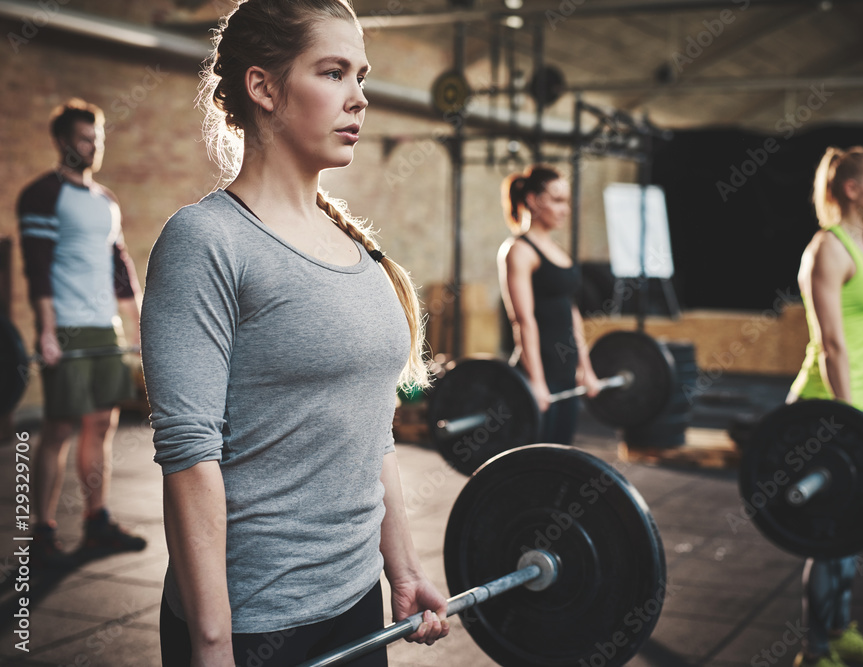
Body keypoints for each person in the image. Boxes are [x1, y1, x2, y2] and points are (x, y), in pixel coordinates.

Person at [140, 1, 448, 665]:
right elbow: (191, 459)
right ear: (264, 87)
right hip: (251, 623)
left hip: (357, 604)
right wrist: (212, 642)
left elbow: (376, 433)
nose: (359, 98)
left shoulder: (355, 247)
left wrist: (403, 569)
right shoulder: (206, 241)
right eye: (334, 72)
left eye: (361, 76)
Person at [17, 98, 147, 568]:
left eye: (97, 139)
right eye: (84, 139)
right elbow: (36, 268)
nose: (93, 147)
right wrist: (47, 332)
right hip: (66, 328)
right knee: (59, 427)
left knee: (101, 424)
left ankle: (96, 522)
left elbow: (119, 268)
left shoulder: (105, 201)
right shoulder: (42, 196)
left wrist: (135, 325)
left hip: (103, 330)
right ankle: (42, 530)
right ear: (63, 142)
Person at [787, 146, 863, 667]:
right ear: (851, 189)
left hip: (852, 410)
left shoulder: (862, 247)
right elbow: (833, 345)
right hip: (821, 409)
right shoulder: (827, 248)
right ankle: (815, 652)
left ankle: (839, 630)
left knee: (851, 531)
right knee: (830, 536)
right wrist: (846, 419)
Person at [497, 165, 602, 446]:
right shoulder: (519, 250)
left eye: (566, 200)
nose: (564, 209)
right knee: (533, 459)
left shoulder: (558, 251)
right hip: (538, 372)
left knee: (559, 455)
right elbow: (523, 320)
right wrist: (538, 382)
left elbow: (572, 314)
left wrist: (586, 369)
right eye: (556, 200)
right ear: (532, 200)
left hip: (565, 371)